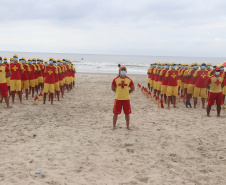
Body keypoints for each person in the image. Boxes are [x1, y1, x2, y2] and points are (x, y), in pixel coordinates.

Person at [111, 66, 134, 130]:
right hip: (118, 99)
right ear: (119, 71)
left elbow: (132, 88)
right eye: (122, 70)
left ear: (126, 71)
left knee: (127, 113)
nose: (123, 71)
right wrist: (118, 92)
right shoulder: (116, 79)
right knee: (115, 113)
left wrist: (127, 92)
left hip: (126, 99)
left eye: (124, 70)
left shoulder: (129, 80)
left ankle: (127, 126)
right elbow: (112, 88)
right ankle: (114, 126)